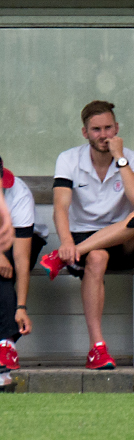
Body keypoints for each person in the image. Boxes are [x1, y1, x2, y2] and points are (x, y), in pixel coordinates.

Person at [41, 100, 134, 370]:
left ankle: (64, 257)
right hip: (84, 237)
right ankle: (98, 349)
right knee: (98, 257)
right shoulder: (68, 159)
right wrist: (67, 242)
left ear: (117, 128)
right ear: (85, 132)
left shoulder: (133, 158)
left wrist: (120, 158)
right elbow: (60, 207)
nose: (104, 135)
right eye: (96, 129)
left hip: (124, 239)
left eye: (108, 128)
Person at [0, 156, 48, 377]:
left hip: (24, 241)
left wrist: (21, 308)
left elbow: (21, 255)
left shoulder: (18, 192)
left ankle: (6, 344)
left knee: (4, 272)